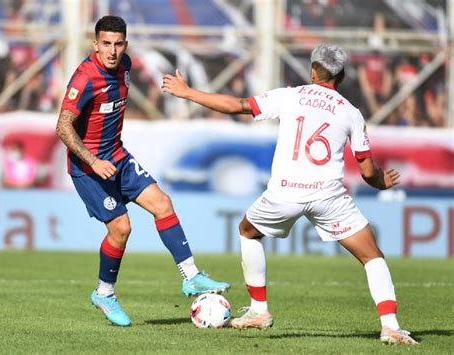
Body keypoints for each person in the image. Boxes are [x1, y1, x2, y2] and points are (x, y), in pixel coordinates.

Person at [162, 45, 417, 345]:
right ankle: (390, 327)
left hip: (285, 192)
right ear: (343, 76)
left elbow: (238, 105)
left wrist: (188, 92)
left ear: (312, 71)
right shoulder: (351, 112)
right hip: (328, 196)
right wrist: (382, 182)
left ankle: (259, 310)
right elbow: (366, 170)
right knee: (372, 256)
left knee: (247, 231)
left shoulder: (290, 95)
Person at [56, 16, 229, 327]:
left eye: (118, 44)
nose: (112, 51)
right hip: (88, 167)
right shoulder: (84, 78)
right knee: (121, 228)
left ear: (126, 45)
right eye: (105, 44)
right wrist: (93, 161)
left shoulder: (125, 66)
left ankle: (191, 276)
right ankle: (104, 292)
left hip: (118, 157)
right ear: (95, 44)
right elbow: (63, 126)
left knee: (162, 204)